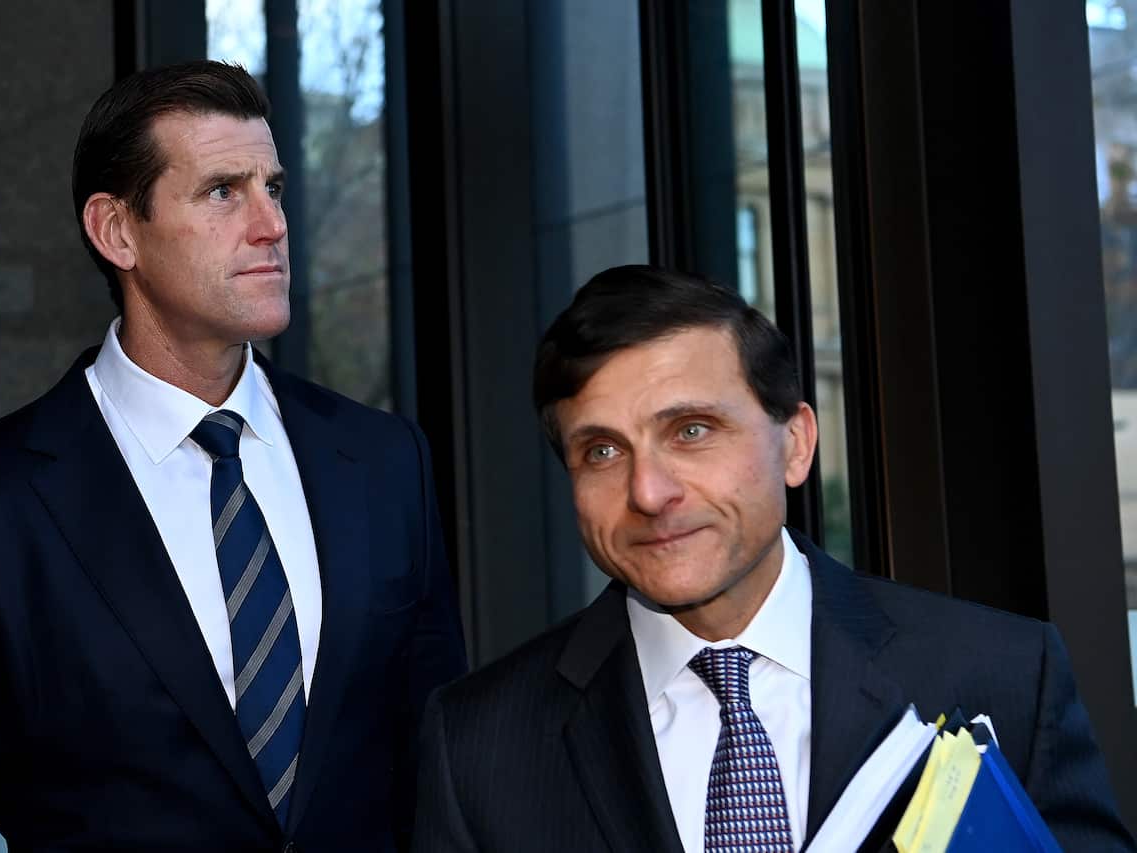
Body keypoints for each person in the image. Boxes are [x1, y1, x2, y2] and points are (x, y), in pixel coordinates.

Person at [0, 61, 466, 852]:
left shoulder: (387, 462)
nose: (272, 224)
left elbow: (445, 781)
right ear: (116, 231)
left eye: (273, 188)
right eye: (223, 191)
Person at [413, 265, 1133, 851]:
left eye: (692, 430)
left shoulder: (1003, 673)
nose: (649, 490)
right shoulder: (478, 747)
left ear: (795, 443)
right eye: (601, 450)